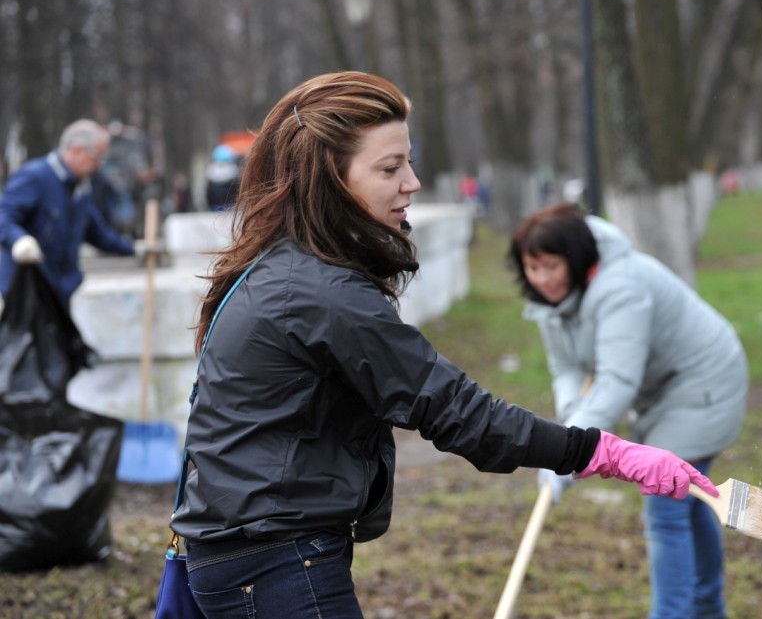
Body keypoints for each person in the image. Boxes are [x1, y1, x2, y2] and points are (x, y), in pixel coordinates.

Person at [168, 71, 719, 619]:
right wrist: (604, 453)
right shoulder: (319, 292)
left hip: (252, 553)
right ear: (329, 178)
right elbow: (458, 410)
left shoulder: (283, 267)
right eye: (389, 168)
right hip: (272, 563)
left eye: (408, 161)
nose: (412, 181)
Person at [509, 202, 749, 619]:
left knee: (666, 504)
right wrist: (572, 422)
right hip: (661, 392)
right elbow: (566, 366)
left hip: (702, 383)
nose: (543, 278)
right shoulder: (555, 298)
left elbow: (618, 382)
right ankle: (709, 609)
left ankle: (682, 612)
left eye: (551, 265)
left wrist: (566, 450)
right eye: (533, 267)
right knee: (693, 499)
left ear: (575, 256)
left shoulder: (619, 287)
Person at [0, 119, 138, 311]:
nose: (99, 165)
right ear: (77, 149)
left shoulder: (80, 190)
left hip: (59, 294)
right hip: (25, 294)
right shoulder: (34, 177)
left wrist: (135, 249)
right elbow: (3, 217)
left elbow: (99, 233)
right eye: (97, 156)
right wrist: (19, 240)